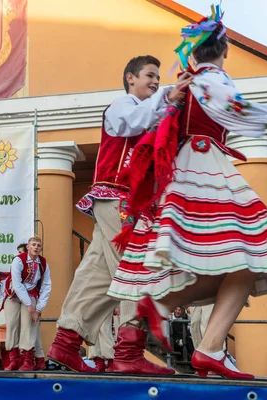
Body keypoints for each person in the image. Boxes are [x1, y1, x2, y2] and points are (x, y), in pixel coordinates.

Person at [108, 4, 267, 379]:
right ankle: (206, 345)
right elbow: (238, 109)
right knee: (255, 249)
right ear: (225, 49)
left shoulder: (184, 81)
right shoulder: (213, 77)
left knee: (243, 259)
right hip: (205, 166)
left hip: (187, 168)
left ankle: (205, 346)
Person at [47, 55, 193, 375]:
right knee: (134, 268)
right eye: (149, 75)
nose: (155, 81)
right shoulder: (121, 106)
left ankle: (66, 342)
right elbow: (133, 121)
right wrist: (167, 96)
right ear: (130, 78)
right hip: (118, 199)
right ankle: (128, 351)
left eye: (158, 76)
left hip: (124, 203)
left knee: (98, 276)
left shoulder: (150, 112)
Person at [3, 236, 51, 371]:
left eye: (38, 245)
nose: (36, 247)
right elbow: (17, 284)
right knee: (12, 325)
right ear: (28, 247)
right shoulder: (18, 260)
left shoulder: (43, 263)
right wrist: (29, 305)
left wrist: (39, 308)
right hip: (13, 295)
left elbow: (46, 285)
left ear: (41, 248)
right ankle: (14, 360)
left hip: (31, 294)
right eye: (33, 245)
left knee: (29, 326)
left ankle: (28, 361)